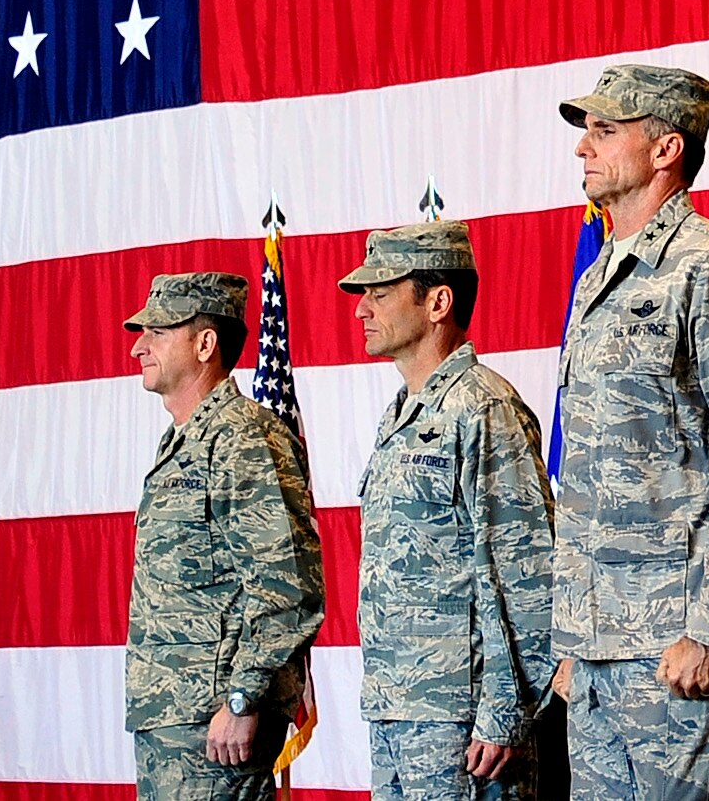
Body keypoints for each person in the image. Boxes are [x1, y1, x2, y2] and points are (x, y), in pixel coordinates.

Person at [550, 64, 709, 799]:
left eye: (605, 131)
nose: (583, 148)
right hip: (601, 656)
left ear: (666, 149)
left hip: (682, 654)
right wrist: (576, 641)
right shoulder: (602, 277)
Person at [342, 221, 557, 800]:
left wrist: (506, 710)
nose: (362, 309)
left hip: (461, 718)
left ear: (438, 302)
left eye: (381, 293)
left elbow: (525, 570)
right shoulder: (400, 414)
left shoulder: (483, 407)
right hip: (398, 708)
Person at [125, 271, 326, 801]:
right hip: (174, 720)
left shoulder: (244, 436)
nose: (138, 347)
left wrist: (243, 700)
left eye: (157, 333)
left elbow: (287, 588)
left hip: (219, 729)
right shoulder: (185, 440)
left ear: (205, 343)